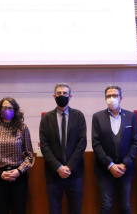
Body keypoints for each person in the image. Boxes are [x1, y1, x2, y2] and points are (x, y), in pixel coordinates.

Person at [39, 83, 87, 214]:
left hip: (75, 173)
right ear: (54, 96)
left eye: (65, 93)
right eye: (59, 93)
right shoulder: (46, 118)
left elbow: (82, 143)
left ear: (70, 96)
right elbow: (44, 145)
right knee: (54, 210)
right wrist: (59, 168)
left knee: (75, 209)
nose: (62, 96)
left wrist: (69, 167)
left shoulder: (79, 116)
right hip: (54, 174)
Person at [92, 85, 137, 214]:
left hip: (126, 169)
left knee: (125, 206)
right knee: (106, 206)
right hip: (105, 169)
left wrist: (125, 164)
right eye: (109, 96)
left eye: (115, 95)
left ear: (121, 98)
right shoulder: (97, 117)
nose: (112, 98)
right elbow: (96, 144)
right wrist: (110, 165)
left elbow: (135, 142)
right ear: (105, 98)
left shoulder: (131, 116)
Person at [0, 97, 34, 214]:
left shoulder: (23, 129)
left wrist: (19, 171)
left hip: (19, 177)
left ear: (15, 111)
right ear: (0, 111)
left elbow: (30, 156)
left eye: (10, 108)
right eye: (4, 108)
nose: (7, 110)